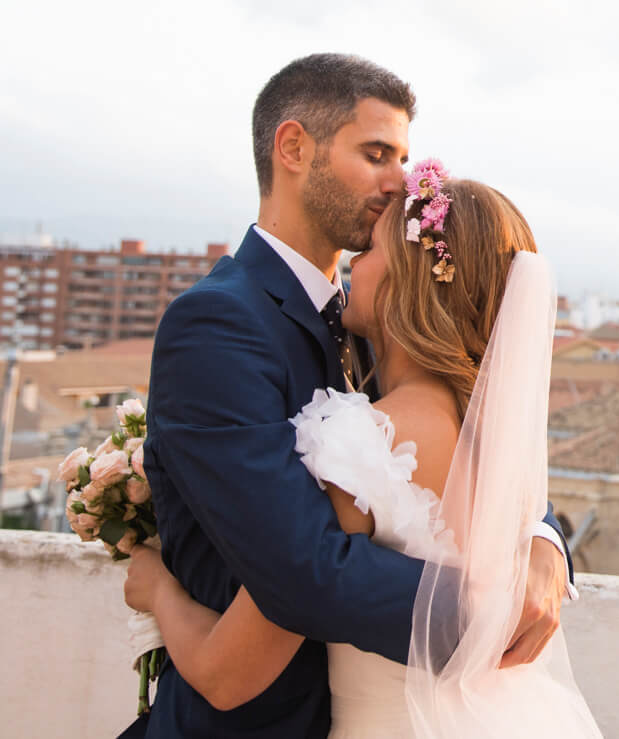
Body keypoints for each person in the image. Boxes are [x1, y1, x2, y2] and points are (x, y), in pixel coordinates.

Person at [132, 54, 582, 738]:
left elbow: (485, 452)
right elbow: (304, 567)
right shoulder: (218, 324)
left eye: (403, 158)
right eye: (377, 154)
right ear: (293, 148)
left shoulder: (388, 330)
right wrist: (483, 608)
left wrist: (541, 542)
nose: (399, 180)